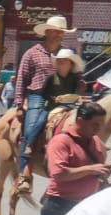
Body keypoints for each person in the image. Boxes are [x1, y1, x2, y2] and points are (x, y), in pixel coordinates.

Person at [15, 14, 70, 177]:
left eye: (61, 32)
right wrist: (19, 104)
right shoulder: (32, 53)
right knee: (31, 127)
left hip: (62, 97)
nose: (59, 35)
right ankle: (23, 173)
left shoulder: (67, 54)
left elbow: (75, 74)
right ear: (47, 33)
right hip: (37, 96)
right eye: (56, 31)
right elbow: (21, 78)